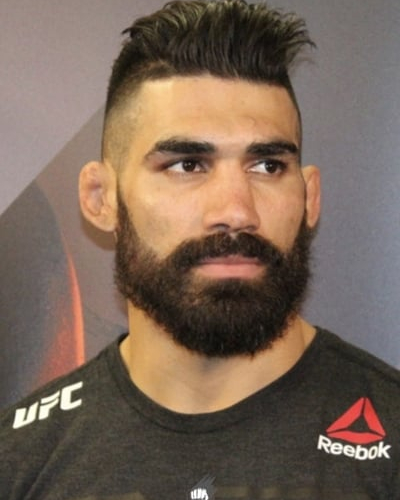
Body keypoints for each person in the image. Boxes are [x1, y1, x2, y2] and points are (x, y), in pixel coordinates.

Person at [1, 1, 399, 498]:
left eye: (268, 167)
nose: (236, 210)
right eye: (187, 165)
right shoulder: (20, 461)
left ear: (309, 197)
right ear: (101, 198)